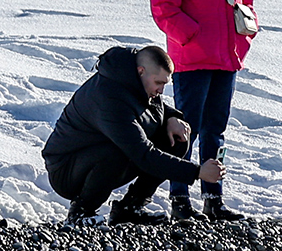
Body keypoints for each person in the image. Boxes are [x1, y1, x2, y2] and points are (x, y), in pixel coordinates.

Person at [149, 0, 258, 222]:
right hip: (193, 59)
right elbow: (163, 8)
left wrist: (245, 32)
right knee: (187, 130)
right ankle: (180, 199)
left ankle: (214, 198)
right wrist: (193, 36)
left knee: (216, 130)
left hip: (226, 58)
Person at [42, 43, 221, 226]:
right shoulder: (109, 98)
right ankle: (80, 212)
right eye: (159, 83)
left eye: (164, 84)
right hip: (66, 170)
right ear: (141, 71)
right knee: (120, 149)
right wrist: (197, 172)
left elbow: (153, 110)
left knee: (177, 138)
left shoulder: (136, 81)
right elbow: (143, 154)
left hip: (99, 156)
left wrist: (173, 117)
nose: (160, 91)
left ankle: (131, 208)